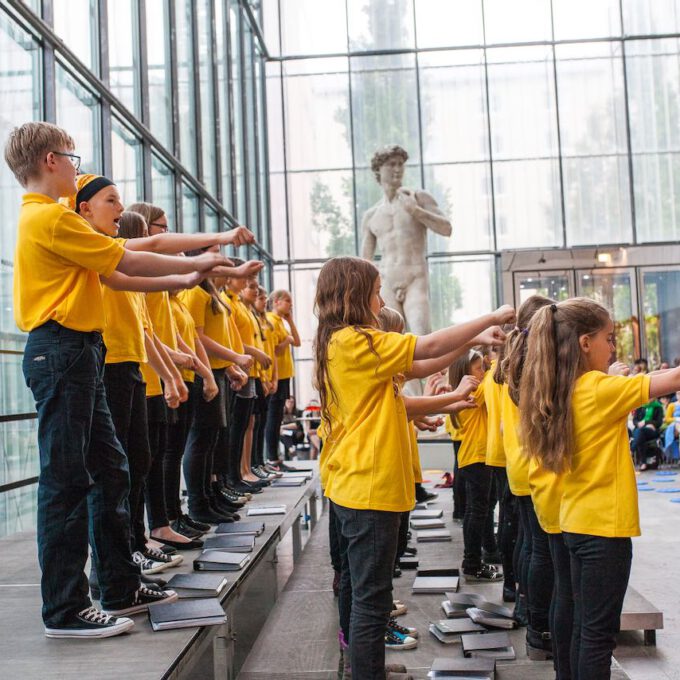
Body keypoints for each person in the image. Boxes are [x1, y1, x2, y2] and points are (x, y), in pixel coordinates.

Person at [4, 122, 233, 637]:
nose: (76, 164)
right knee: (66, 481)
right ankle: (64, 609)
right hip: (62, 350)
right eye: (71, 155)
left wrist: (188, 269)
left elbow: (122, 262)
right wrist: (198, 260)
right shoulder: (49, 219)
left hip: (79, 350)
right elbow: (127, 256)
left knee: (110, 471)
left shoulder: (59, 216)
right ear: (49, 161)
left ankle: (118, 584)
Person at [315, 255, 514, 679]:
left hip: (359, 483)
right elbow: (425, 348)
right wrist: (487, 318)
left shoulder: (344, 341)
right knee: (371, 602)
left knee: (368, 596)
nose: (381, 298)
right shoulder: (356, 341)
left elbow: (420, 366)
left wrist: (471, 343)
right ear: (355, 296)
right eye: (375, 292)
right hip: (368, 486)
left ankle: (365, 669)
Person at [519, 297, 680, 679]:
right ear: (584, 343)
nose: (614, 348)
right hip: (603, 530)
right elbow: (673, 379)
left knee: (582, 629)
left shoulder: (562, 388)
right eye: (609, 338)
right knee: (596, 636)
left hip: (575, 522)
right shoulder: (597, 388)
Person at [502, 295, 558, 660]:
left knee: (528, 541)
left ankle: (526, 604)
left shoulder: (511, 359)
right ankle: (540, 626)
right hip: (533, 464)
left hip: (517, 464)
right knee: (539, 548)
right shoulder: (534, 363)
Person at [360, 145, 452, 337]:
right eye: (392, 164)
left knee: (422, 334)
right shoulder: (371, 215)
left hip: (415, 279)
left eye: (401, 164)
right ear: (378, 170)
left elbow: (446, 228)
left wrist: (416, 211)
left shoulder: (418, 198)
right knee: (388, 338)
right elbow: (364, 261)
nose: (398, 169)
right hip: (386, 282)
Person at [448, 350, 502, 582]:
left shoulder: (469, 393)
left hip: (477, 457)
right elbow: (491, 379)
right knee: (477, 510)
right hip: (477, 457)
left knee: (481, 509)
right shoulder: (471, 393)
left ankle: (479, 556)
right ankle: (472, 562)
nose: (484, 370)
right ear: (465, 374)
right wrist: (498, 362)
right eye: (479, 367)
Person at [265, 290, 301, 468]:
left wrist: (291, 321)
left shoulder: (281, 322)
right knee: (273, 417)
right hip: (276, 376)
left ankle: (275, 458)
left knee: (277, 417)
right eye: (288, 301)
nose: (290, 305)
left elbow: (298, 341)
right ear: (277, 302)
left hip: (285, 375)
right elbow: (275, 350)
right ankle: (272, 458)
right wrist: (286, 340)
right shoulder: (271, 320)